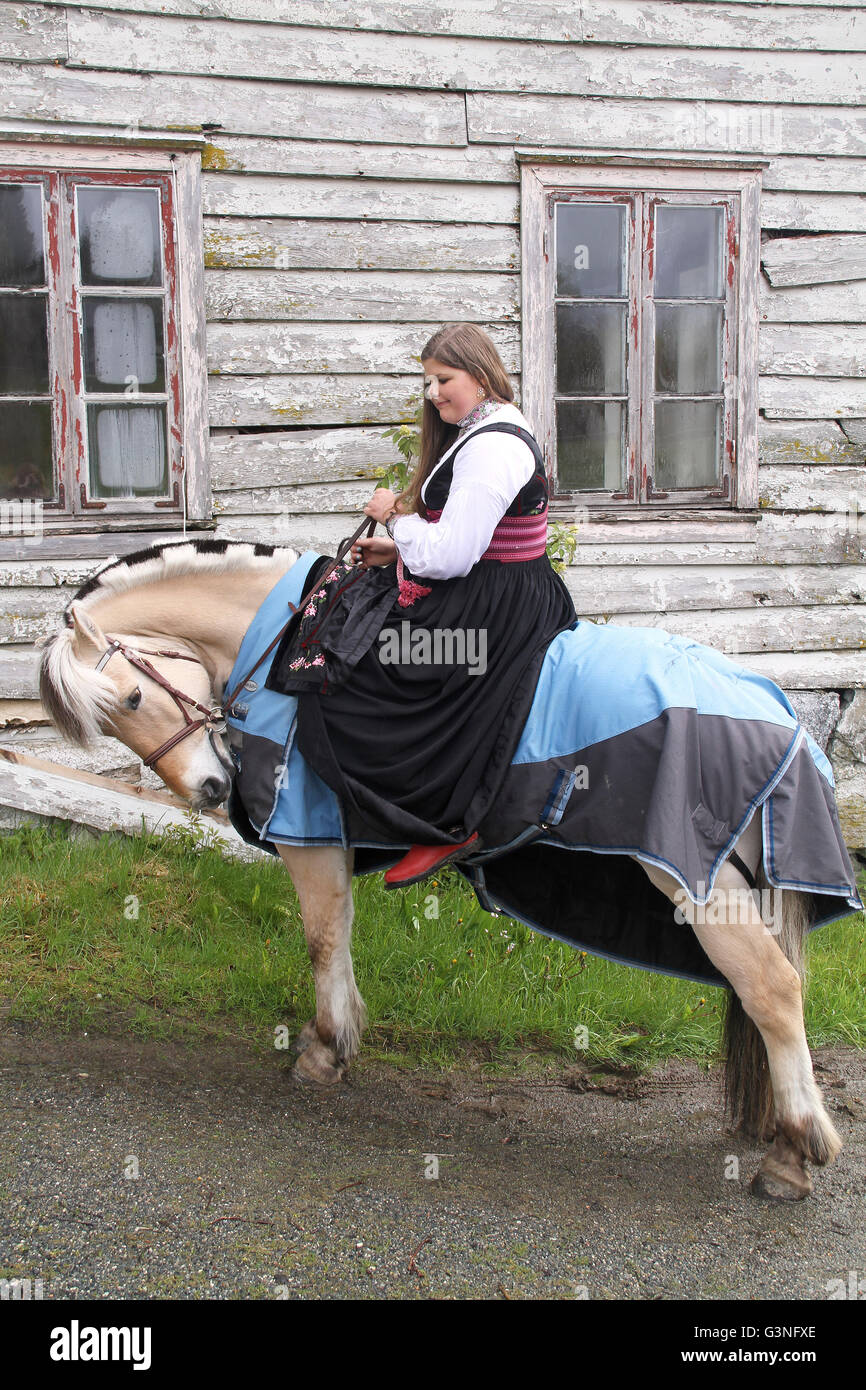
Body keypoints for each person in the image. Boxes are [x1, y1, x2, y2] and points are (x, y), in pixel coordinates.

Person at [266, 322, 577, 886]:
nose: (434, 393)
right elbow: (469, 541)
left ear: (480, 377)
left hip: (490, 609)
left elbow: (453, 554)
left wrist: (394, 517)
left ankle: (438, 821)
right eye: (428, 382)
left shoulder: (493, 447)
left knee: (368, 671)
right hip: (496, 587)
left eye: (444, 379)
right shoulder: (486, 426)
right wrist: (396, 549)